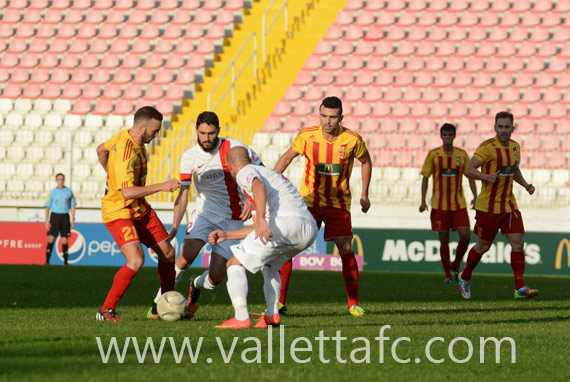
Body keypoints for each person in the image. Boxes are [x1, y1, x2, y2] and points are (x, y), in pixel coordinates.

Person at [147, 111, 262, 319]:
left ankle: (195, 284)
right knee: (185, 257)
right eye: (202, 133)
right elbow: (183, 194)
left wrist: (251, 200)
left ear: (218, 130)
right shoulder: (190, 157)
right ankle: (158, 302)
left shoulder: (235, 148)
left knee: (215, 278)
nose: (206, 138)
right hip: (205, 212)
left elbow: (260, 174)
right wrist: (174, 226)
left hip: (233, 219)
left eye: (210, 133)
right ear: (197, 131)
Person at [273, 96, 372, 317]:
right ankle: (280, 302)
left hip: (338, 204)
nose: (327, 121)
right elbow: (287, 157)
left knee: (346, 249)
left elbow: (366, 161)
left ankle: (353, 304)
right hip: (309, 202)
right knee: (290, 247)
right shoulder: (307, 136)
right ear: (320, 115)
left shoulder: (352, 140)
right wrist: (270, 183)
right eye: (324, 116)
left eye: (333, 117)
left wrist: (364, 193)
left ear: (341, 117)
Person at [209, 146, 318, 329]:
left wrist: (259, 219)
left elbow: (257, 187)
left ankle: (241, 317)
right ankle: (271, 315)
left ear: (229, 166)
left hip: (284, 224)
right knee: (270, 266)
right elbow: (260, 229)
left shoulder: (246, 172)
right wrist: (227, 235)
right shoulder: (269, 174)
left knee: (234, 264)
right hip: (308, 228)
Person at [95, 106, 180, 321]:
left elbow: (100, 150)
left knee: (168, 254)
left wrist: (111, 175)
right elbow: (127, 192)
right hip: (119, 209)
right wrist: (161, 186)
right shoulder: (126, 152)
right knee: (136, 259)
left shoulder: (127, 135)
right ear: (141, 127)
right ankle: (106, 311)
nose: (157, 135)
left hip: (139, 207)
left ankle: (163, 306)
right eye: (154, 130)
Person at [461, 111, 539, 300]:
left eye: (507, 127)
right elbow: (468, 170)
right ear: (495, 127)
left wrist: (526, 184)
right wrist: (486, 177)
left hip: (509, 205)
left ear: (513, 128)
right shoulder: (487, 148)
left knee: (518, 243)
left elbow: (514, 170)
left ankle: (519, 288)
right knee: (483, 246)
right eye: (500, 127)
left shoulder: (515, 147)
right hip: (488, 206)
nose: (504, 131)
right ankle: (465, 277)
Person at [419, 123, 477, 283]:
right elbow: (425, 177)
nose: (447, 138)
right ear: (441, 136)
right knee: (443, 239)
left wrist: (475, 196)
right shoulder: (434, 155)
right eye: (445, 135)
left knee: (466, 236)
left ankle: (456, 264)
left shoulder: (462, 155)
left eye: (450, 135)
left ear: (454, 136)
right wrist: (423, 201)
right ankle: (447, 275)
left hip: (459, 204)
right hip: (439, 205)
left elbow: (470, 175)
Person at [44, 173, 77, 265]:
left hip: (65, 216)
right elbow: (47, 207)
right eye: (59, 179)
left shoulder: (69, 191)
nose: (60, 181)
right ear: (56, 180)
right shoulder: (52, 192)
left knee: (64, 239)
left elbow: (73, 205)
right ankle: (47, 262)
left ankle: (66, 263)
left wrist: (73, 218)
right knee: (51, 238)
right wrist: (46, 221)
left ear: (64, 180)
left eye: (62, 179)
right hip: (55, 216)